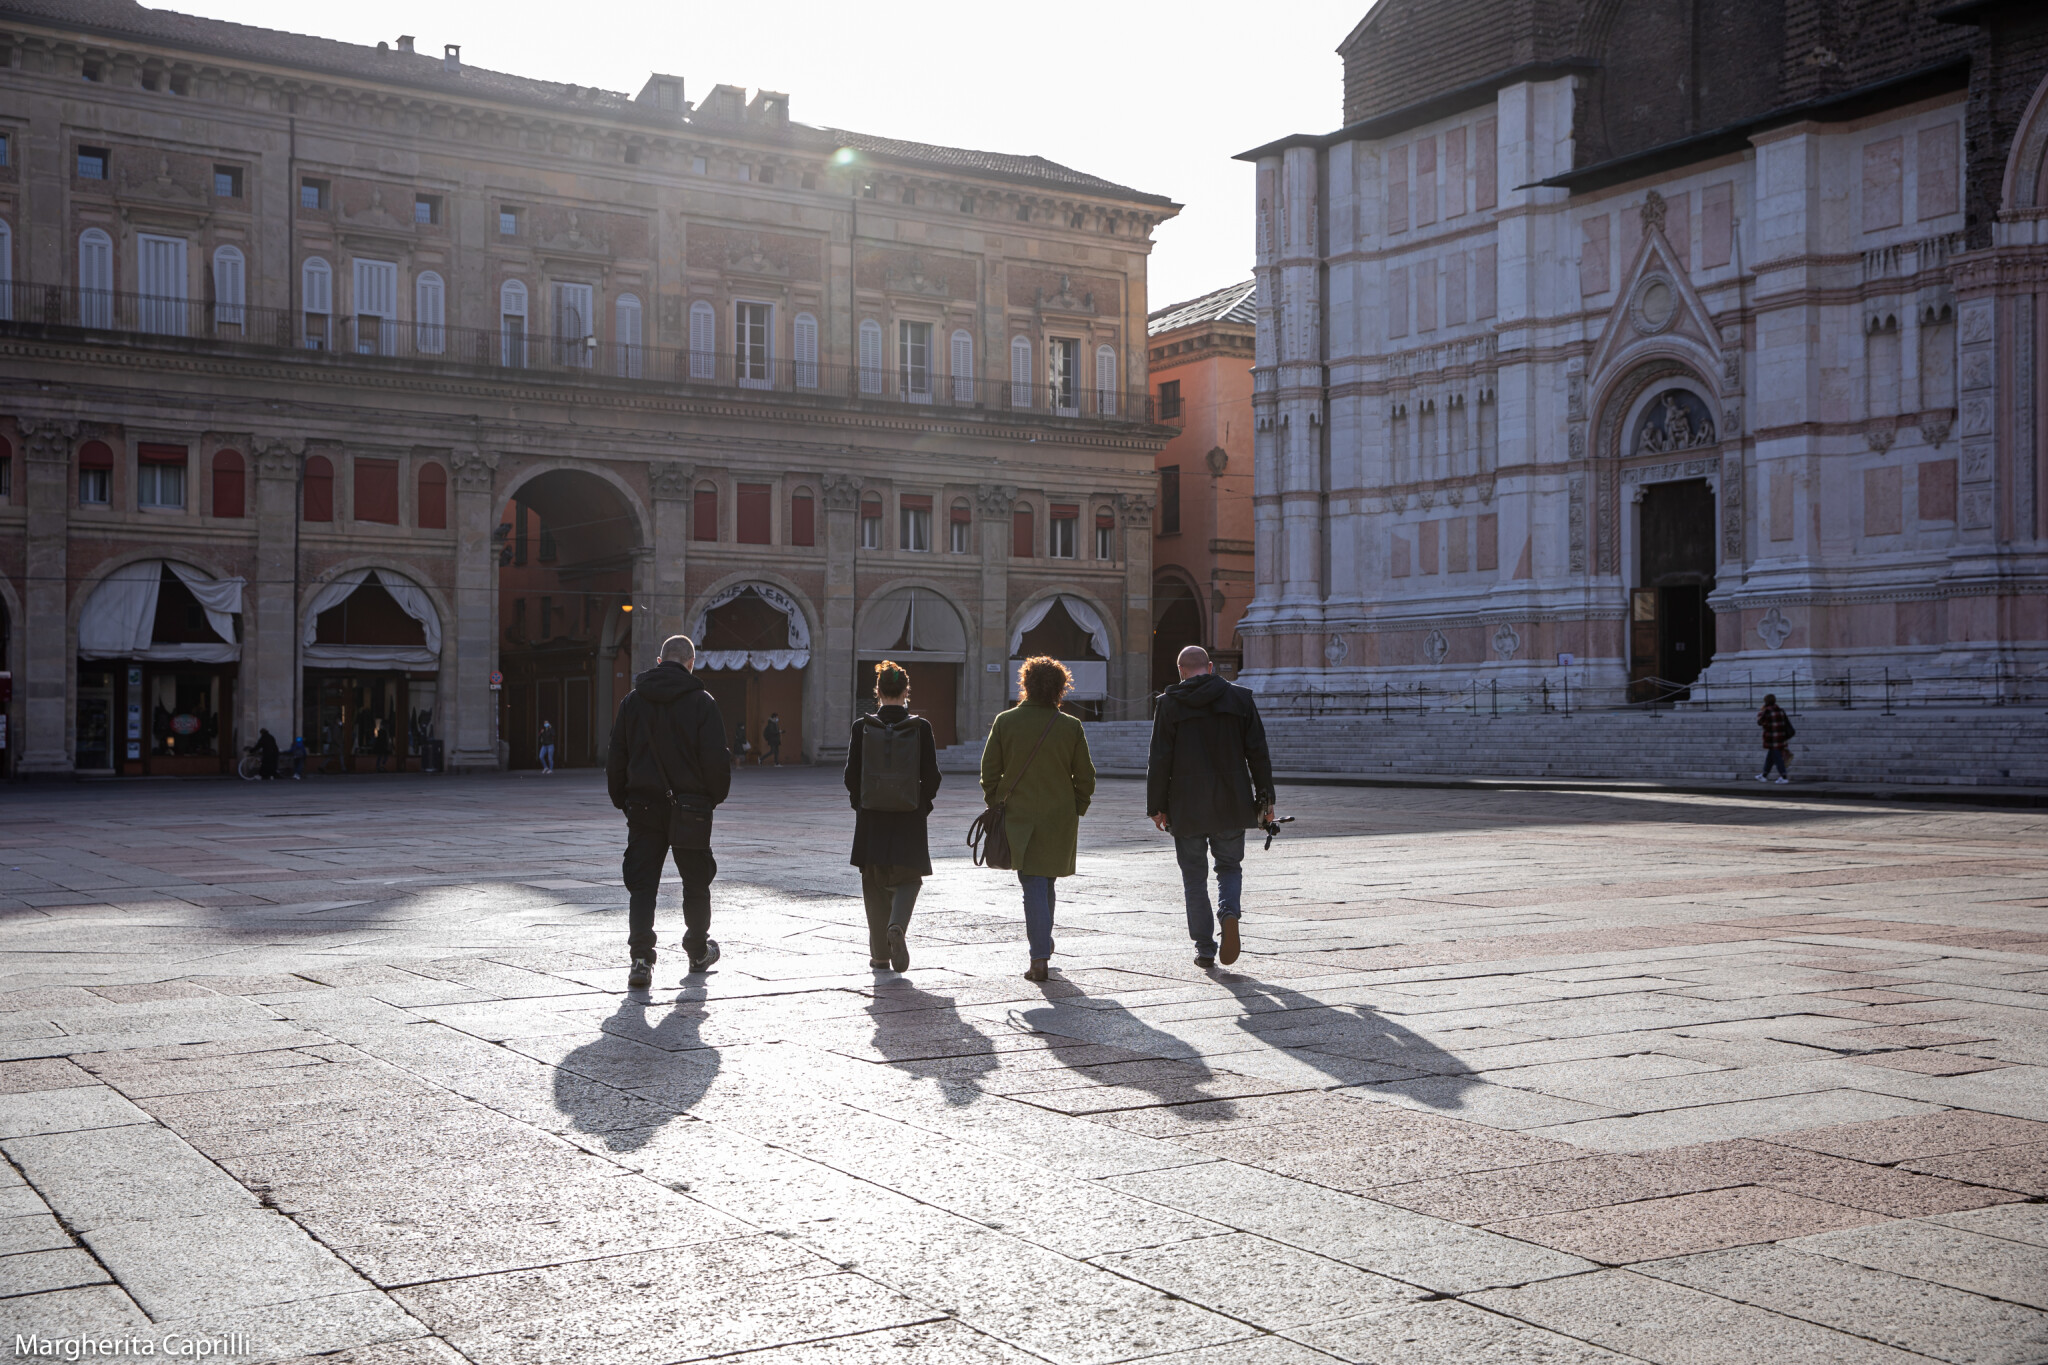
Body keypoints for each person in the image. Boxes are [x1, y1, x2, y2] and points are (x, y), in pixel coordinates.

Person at [607, 634, 733, 989]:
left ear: (660, 661)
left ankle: (641, 959)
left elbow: (617, 756)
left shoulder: (632, 702)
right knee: (696, 882)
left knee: (642, 885)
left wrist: (623, 800)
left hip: (643, 807)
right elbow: (716, 760)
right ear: (691, 663)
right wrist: (711, 799)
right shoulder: (702, 702)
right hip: (690, 808)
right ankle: (696, 949)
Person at [1147, 646, 1276, 968]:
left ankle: (1205, 947)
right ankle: (1229, 912)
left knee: (1193, 875)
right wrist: (1266, 799)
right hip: (1232, 802)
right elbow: (1258, 752)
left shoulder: (1169, 703)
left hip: (1186, 804)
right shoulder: (1240, 698)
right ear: (1210, 666)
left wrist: (1156, 806)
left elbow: (1159, 759)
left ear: (1180, 670)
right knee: (1229, 867)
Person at [980, 656, 1095, 983]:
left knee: (1032, 882)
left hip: (1019, 816)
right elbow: (1085, 777)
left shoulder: (1005, 721)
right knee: (1045, 880)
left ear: (1026, 684)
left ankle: (1039, 957)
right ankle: (1043, 942)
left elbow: (989, 773)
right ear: (1060, 688)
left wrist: (997, 803)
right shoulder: (1070, 726)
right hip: (1060, 818)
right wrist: (1077, 806)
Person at [844, 661, 941, 971]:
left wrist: (861, 804)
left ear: (878, 692)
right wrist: (920, 806)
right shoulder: (921, 727)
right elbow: (933, 776)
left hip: (871, 818)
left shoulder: (862, 727)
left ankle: (880, 956)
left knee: (873, 885)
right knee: (909, 879)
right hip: (909, 817)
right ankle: (897, 925)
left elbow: (850, 775)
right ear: (906, 691)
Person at [1756, 693, 1794, 784]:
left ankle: (1784, 776)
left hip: (1772, 738)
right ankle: (1764, 775)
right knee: (1771, 756)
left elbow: (1760, 722)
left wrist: (1762, 711)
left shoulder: (1767, 711)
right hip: (1781, 737)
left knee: (1777, 758)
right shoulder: (1780, 710)